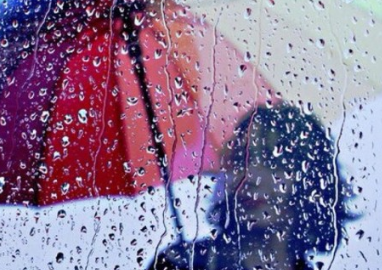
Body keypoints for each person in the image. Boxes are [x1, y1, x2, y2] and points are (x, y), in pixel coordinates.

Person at [149, 104, 356, 270]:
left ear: (310, 180)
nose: (250, 176)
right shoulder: (180, 264)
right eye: (239, 159)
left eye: (274, 161)